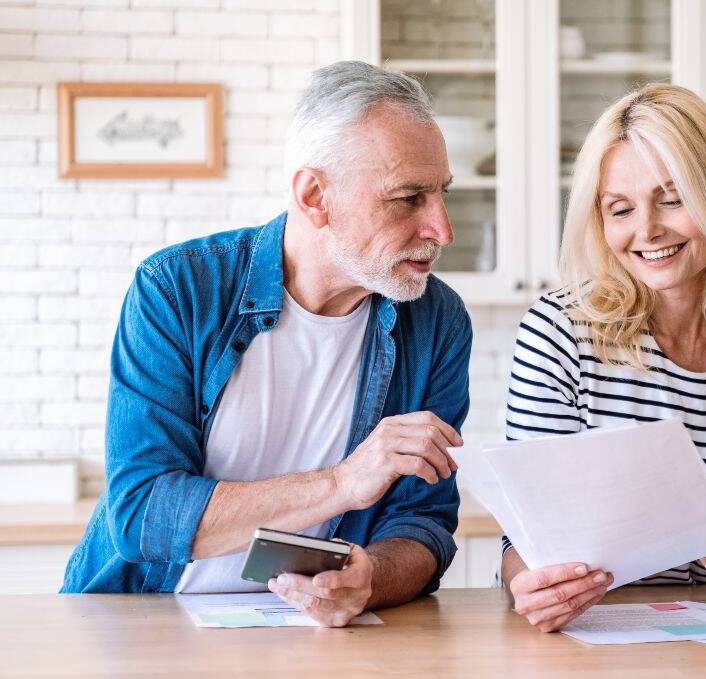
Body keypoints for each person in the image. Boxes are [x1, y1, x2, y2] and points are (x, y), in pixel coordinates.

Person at [61, 61, 472, 628]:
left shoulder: (436, 320)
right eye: (408, 198)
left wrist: (368, 581)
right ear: (314, 196)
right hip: (146, 619)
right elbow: (143, 515)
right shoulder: (179, 289)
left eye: (441, 194)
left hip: (315, 636)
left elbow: (423, 523)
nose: (443, 230)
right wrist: (341, 483)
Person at [501, 84, 706, 632]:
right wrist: (531, 586)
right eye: (620, 209)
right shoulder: (560, 332)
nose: (646, 230)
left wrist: (669, 488)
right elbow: (522, 547)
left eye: (672, 199)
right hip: (586, 632)